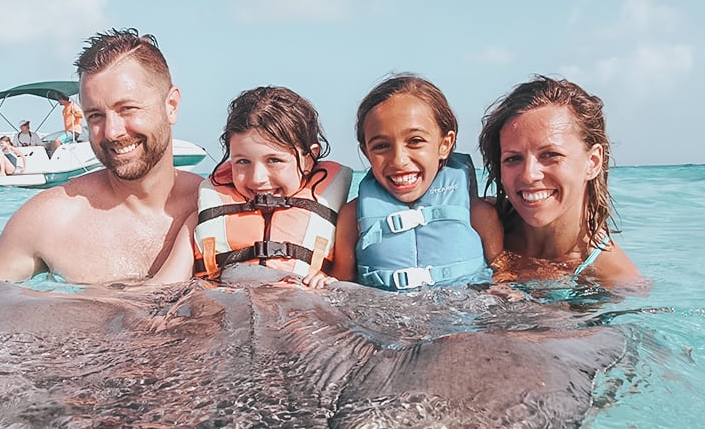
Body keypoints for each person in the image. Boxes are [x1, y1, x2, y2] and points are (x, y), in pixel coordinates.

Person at [0, 28, 202, 284]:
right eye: (95, 115)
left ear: (171, 106)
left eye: (127, 108)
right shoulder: (49, 220)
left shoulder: (218, 205)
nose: (111, 132)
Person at [155, 86, 352, 288]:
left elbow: (346, 285)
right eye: (242, 162)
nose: (257, 178)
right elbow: (161, 289)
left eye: (274, 160)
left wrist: (326, 285)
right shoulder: (199, 220)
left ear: (309, 158)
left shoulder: (342, 222)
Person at [332, 73, 503, 291]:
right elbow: (341, 283)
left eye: (415, 141)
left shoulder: (479, 214)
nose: (399, 161)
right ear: (366, 151)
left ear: (445, 144)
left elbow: (504, 275)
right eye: (381, 146)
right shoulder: (352, 216)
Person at [478, 74, 640, 286]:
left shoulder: (614, 277)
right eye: (513, 158)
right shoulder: (478, 225)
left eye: (550, 155)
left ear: (592, 161)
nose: (529, 174)